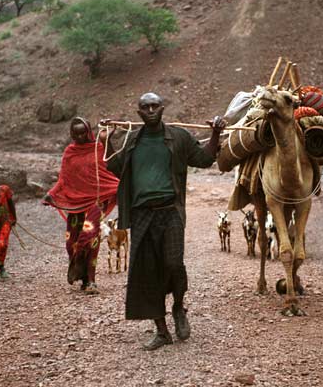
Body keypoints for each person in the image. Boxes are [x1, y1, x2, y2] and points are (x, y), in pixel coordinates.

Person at [100, 92, 226, 351]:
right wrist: (107, 141)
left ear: (162, 108)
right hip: (142, 213)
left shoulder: (178, 137)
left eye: (154, 105)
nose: (150, 110)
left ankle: (179, 306)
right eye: (144, 107)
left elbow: (203, 159)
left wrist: (215, 134)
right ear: (138, 113)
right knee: (147, 271)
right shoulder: (132, 140)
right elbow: (114, 167)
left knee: (173, 263)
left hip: (170, 211)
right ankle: (161, 330)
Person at [43, 117, 119, 295]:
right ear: (71, 134)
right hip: (75, 204)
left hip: (95, 201)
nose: (79, 136)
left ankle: (91, 280)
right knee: (72, 242)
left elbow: (114, 164)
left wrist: (107, 140)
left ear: (88, 131)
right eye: (75, 133)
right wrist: (51, 194)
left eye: (82, 132)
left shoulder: (99, 148)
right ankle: (82, 276)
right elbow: (64, 178)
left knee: (89, 238)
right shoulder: (69, 152)